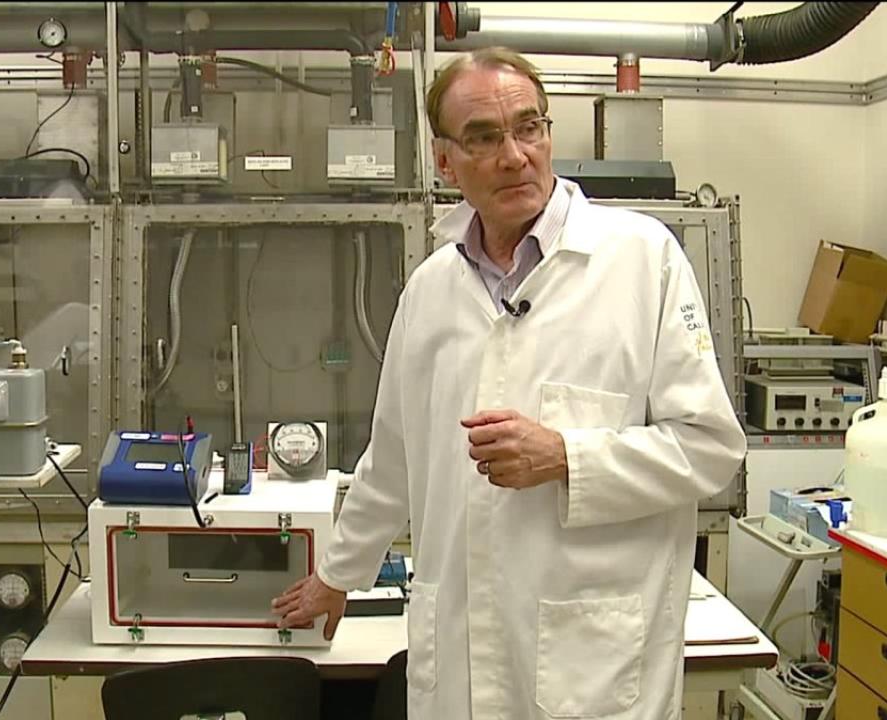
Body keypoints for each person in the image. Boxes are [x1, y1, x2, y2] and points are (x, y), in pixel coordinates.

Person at [272, 47, 746, 720]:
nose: (515, 155)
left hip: (593, 665)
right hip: (462, 657)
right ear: (444, 161)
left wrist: (567, 457)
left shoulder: (643, 260)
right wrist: (338, 576)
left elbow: (710, 448)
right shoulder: (433, 288)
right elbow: (394, 459)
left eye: (529, 128)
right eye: (484, 138)